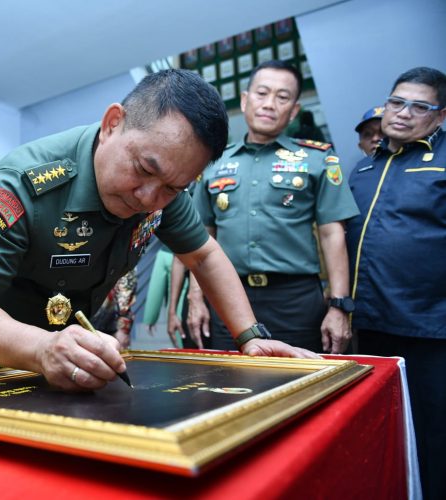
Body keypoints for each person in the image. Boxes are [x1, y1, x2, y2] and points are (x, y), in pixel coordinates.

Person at [0, 69, 319, 393]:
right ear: (112, 124)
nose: (149, 198)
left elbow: (202, 254)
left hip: (68, 360)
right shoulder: (25, 184)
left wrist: (250, 337)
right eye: (143, 169)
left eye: (173, 188)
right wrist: (42, 348)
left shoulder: (164, 184)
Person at [188, 60, 359, 354]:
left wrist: (339, 306)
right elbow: (202, 236)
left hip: (295, 300)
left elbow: (333, 234)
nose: (269, 104)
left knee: (301, 386)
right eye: (262, 93)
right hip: (227, 294)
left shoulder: (318, 159)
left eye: (282, 98)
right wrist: (195, 298)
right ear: (244, 100)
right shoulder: (214, 163)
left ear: (294, 110)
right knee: (229, 385)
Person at [346, 67, 446, 500]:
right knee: (380, 427)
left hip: (429, 328)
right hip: (367, 326)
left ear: (439, 116)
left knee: (433, 434)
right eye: (396, 102)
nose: (403, 114)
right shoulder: (363, 168)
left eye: (419, 107)